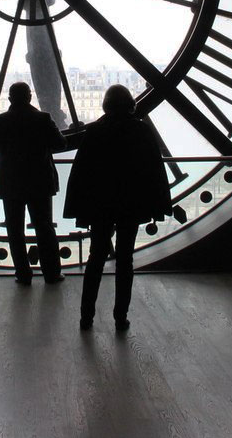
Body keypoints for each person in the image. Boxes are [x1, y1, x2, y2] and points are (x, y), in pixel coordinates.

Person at [64, 84, 171, 331]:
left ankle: (86, 316)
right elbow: (153, 170)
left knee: (96, 259)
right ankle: (120, 317)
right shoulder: (141, 131)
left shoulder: (95, 132)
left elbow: (82, 174)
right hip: (130, 205)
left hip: (100, 205)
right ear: (130, 104)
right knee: (125, 260)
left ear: (106, 105)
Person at [0, 81, 66, 285]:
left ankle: (23, 273)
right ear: (29, 97)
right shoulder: (42, 119)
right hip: (39, 182)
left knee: (15, 229)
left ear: (10, 99)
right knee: (44, 228)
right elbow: (60, 143)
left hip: (10, 183)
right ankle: (51, 273)